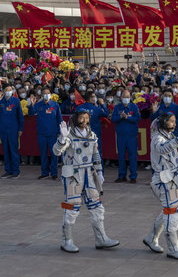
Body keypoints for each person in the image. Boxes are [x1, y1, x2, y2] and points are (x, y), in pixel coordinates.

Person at [53, 110, 119, 253]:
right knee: (72, 207)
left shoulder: (92, 135)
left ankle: (101, 238)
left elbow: (96, 154)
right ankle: (67, 241)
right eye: (81, 118)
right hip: (73, 175)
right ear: (76, 119)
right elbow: (57, 151)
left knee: (96, 206)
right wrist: (62, 139)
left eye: (86, 118)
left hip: (89, 174)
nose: (84, 120)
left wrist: (100, 171)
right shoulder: (68, 135)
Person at [143, 113, 178, 260]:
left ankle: (151, 237)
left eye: (174, 121)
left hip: (172, 179)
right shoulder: (158, 138)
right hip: (163, 180)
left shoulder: (168, 136)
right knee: (172, 212)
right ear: (163, 122)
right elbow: (162, 149)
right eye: (170, 121)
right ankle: (173, 248)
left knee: (169, 210)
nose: (174, 124)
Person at [0, 85, 24, 179]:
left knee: (13, 150)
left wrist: (20, 128)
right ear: (3, 91)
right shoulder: (0, 101)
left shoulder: (16, 101)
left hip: (13, 129)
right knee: (6, 150)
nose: (9, 91)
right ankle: (8, 170)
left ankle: (16, 171)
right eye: (7, 90)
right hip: (3, 129)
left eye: (10, 90)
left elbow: (20, 116)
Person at [28, 88, 62, 179]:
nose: (46, 95)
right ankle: (45, 172)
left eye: (48, 93)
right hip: (42, 133)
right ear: (42, 95)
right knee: (43, 154)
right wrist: (31, 104)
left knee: (54, 154)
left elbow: (59, 119)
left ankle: (54, 173)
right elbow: (31, 113)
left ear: (50, 94)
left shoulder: (55, 105)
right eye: (44, 94)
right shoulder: (38, 105)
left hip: (53, 133)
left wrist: (60, 132)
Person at [111, 90, 140, 183]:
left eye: (127, 97)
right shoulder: (117, 107)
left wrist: (127, 117)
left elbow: (137, 118)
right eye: (124, 97)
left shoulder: (134, 107)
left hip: (131, 136)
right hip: (121, 136)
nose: (125, 99)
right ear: (121, 98)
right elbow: (113, 119)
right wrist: (121, 116)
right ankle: (121, 175)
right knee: (121, 156)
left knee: (132, 156)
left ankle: (133, 176)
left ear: (130, 97)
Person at [77, 91, 109, 157]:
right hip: (94, 134)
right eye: (94, 96)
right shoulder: (96, 109)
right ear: (90, 98)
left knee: (84, 153)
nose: (95, 98)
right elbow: (106, 114)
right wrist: (102, 104)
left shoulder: (79, 108)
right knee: (97, 153)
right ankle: (98, 167)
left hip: (82, 134)